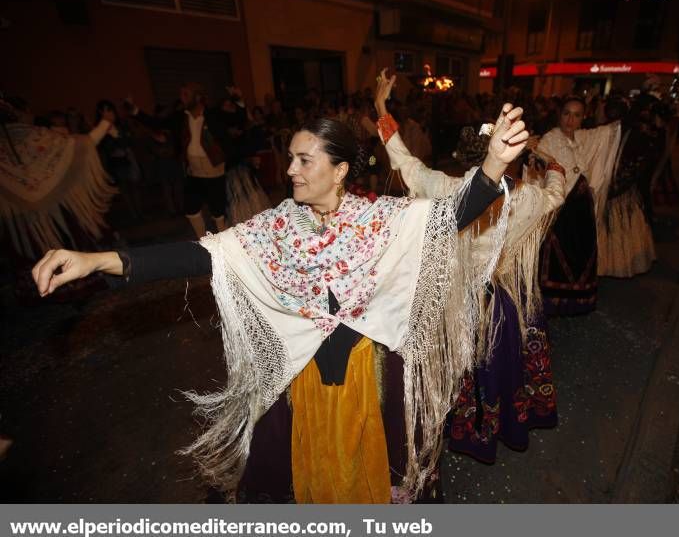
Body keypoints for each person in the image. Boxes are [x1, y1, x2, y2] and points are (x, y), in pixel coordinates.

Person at [31, 108, 530, 503]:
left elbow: (450, 215)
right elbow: (200, 255)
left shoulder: (380, 221)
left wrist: (493, 165)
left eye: (303, 160)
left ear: (339, 171)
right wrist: (99, 260)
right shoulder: (275, 228)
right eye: (290, 157)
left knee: (378, 476)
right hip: (301, 386)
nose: (289, 169)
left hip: (370, 384)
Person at [374, 69, 566, 462]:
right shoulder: (526, 198)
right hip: (501, 302)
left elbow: (404, 161)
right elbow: (556, 194)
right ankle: (498, 427)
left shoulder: (445, 188)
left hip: (455, 298)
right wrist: (550, 164)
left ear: (466, 156)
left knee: (458, 363)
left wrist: (380, 106)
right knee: (497, 363)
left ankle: (461, 427)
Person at [0, 94, 116, 303]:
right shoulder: (38, 137)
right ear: (21, 112)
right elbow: (81, 146)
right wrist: (106, 122)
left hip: (20, 220)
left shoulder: (34, 138)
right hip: (55, 216)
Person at [532, 96, 621, 316]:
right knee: (559, 250)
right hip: (561, 208)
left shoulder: (584, 138)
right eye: (566, 113)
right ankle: (553, 302)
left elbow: (608, 131)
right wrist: (536, 159)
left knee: (582, 249)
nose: (570, 119)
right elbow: (538, 160)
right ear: (559, 115)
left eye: (577, 115)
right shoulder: (550, 139)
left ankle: (580, 300)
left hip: (582, 208)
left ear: (583, 118)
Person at [130, 84, 245, 238]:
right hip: (194, 172)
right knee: (191, 209)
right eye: (181, 94)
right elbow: (156, 123)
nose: (182, 97)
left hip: (214, 171)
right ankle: (203, 240)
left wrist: (238, 99)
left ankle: (225, 241)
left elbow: (238, 119)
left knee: (218, 212)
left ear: (197, 97)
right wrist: (134, 110)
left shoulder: (213, 114)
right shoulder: (180, 117)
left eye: (186, 94)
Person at [596, 97, 658, 278]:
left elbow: (638, 167)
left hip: (622, 193)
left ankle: (620, 265)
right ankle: (605, 266)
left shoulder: (636, 136)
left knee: (621, 230)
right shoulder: (602, 133)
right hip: (607, 188)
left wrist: (615, 187)